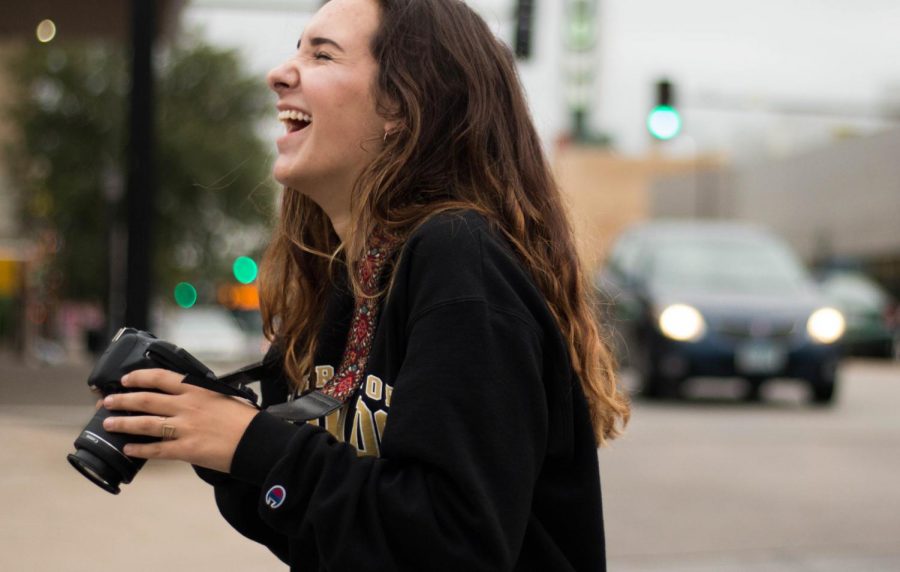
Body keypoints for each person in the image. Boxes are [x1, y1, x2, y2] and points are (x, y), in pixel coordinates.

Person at [100, 0, 631, 569]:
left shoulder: (458, 259)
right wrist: (210, 431)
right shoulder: (349, 277)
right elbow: (335, 535)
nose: (278, 73)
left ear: (403, 104)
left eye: (322, 54)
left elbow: (454, 545)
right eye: (296, 49)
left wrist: (254, 443)